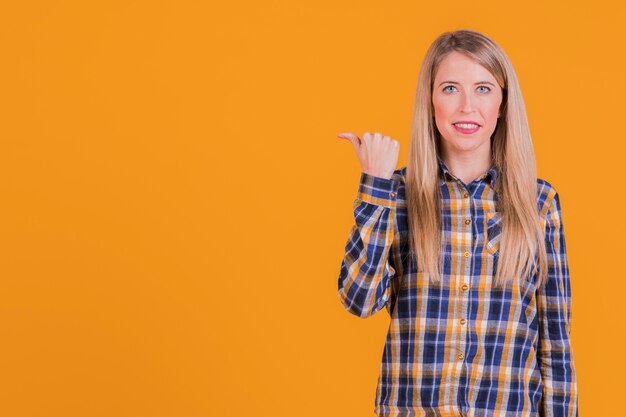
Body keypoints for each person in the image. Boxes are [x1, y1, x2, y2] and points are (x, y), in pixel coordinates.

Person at [336, 29, 578, 417]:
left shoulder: (540, 202)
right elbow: (358, 299)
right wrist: (375, 188)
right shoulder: (397, 194)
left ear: (502, 103)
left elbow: (556, 345)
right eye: (451, 88)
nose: (468, 106)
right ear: (430, 102)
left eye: (483, 89)